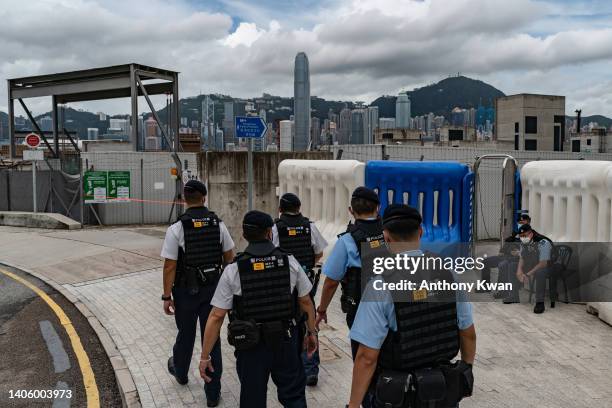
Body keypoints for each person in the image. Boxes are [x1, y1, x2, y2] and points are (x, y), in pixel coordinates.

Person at [347, 204, 476, 408]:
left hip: (398, 396)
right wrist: (465, 373)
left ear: (386, 237)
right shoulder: (448, 273)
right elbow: (467, 332)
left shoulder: (380, 285)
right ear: (421, 232)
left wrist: (353, 405)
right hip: (441, 393)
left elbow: (367, 357)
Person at [198, 210, 318, 408]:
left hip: (250, 346)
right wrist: (311, 333)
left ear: (244, 235)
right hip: (286, 341)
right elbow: (305, 301)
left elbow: (216, 315)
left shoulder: (234, 269)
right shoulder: (289, 261)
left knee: (252, 399)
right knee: (294, 397)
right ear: (270, 232)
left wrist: (204, 356)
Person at [160, 180, 235, 407]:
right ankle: (213, 394)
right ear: (204, 197)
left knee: (186, 334)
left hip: (185, 292)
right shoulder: (218, 224)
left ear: (184, 199)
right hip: (214, 291)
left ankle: (181, 372)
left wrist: (166, 296)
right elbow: (230, 258)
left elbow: (170, 266)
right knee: (211, 339)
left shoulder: (177, 228)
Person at [316, 186, 384, 358]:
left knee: (363, 357)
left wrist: (322, 310)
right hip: (390, 306)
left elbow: (331, 282)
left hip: (361, 310)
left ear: (350, 211)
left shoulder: (347, 240)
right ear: (378, 207)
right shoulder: (389, 234)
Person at [273, 192, 328, 386]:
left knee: (283, 322)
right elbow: (319, 252)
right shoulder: (309, 227)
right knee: (308, 320)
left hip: (283, 285)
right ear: (299, 208)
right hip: (306, 282)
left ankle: (288, 366)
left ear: (280, 210)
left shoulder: (275, 228)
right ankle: (310, 369)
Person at [504, 224, 555, 314]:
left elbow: (543, 263)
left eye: (525, 236)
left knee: (540, 272)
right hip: (534, 263)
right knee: (512, 266)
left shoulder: (543, 242)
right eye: (521, 236)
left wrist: (528, 274)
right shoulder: (524, 242)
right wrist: (519, 271)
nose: (523, 238)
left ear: (531, 234)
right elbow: (522, 257)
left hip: (549, 265)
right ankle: (514, 296)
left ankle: (540, 302)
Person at [481, 214, 530, 297]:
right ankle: (485, 286)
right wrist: (504, 250)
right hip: (505, 256)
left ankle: (502, 291)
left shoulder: (529, 235)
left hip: (517, 259)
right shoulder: (515, 234)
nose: (521, 224)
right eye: (519, 223)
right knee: (485, 261)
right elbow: (504, 249)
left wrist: (518, 253)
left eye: (523, 222)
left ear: (528, 223)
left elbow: (527, 252)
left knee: (502, 265)